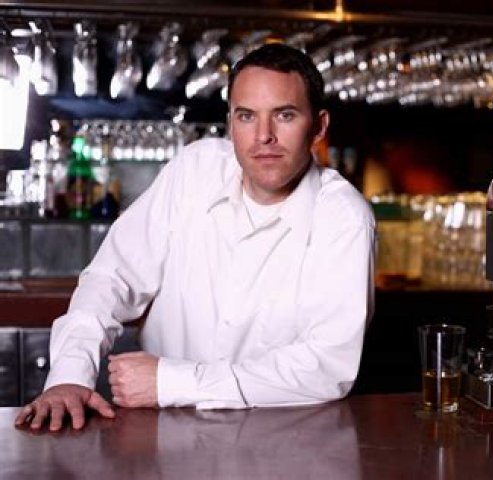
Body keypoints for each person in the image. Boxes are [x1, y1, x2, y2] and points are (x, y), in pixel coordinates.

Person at [15, 43, 376, 431]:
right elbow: (113, 277)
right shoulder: (195, 168)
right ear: (230, 123)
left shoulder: (344, 217)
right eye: (247, 116)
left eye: (284, 115)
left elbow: (326, 366)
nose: (264, 136)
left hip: (278, 439)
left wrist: (170, 382)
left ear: (319, 126)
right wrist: (70, 375)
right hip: (162, 433)